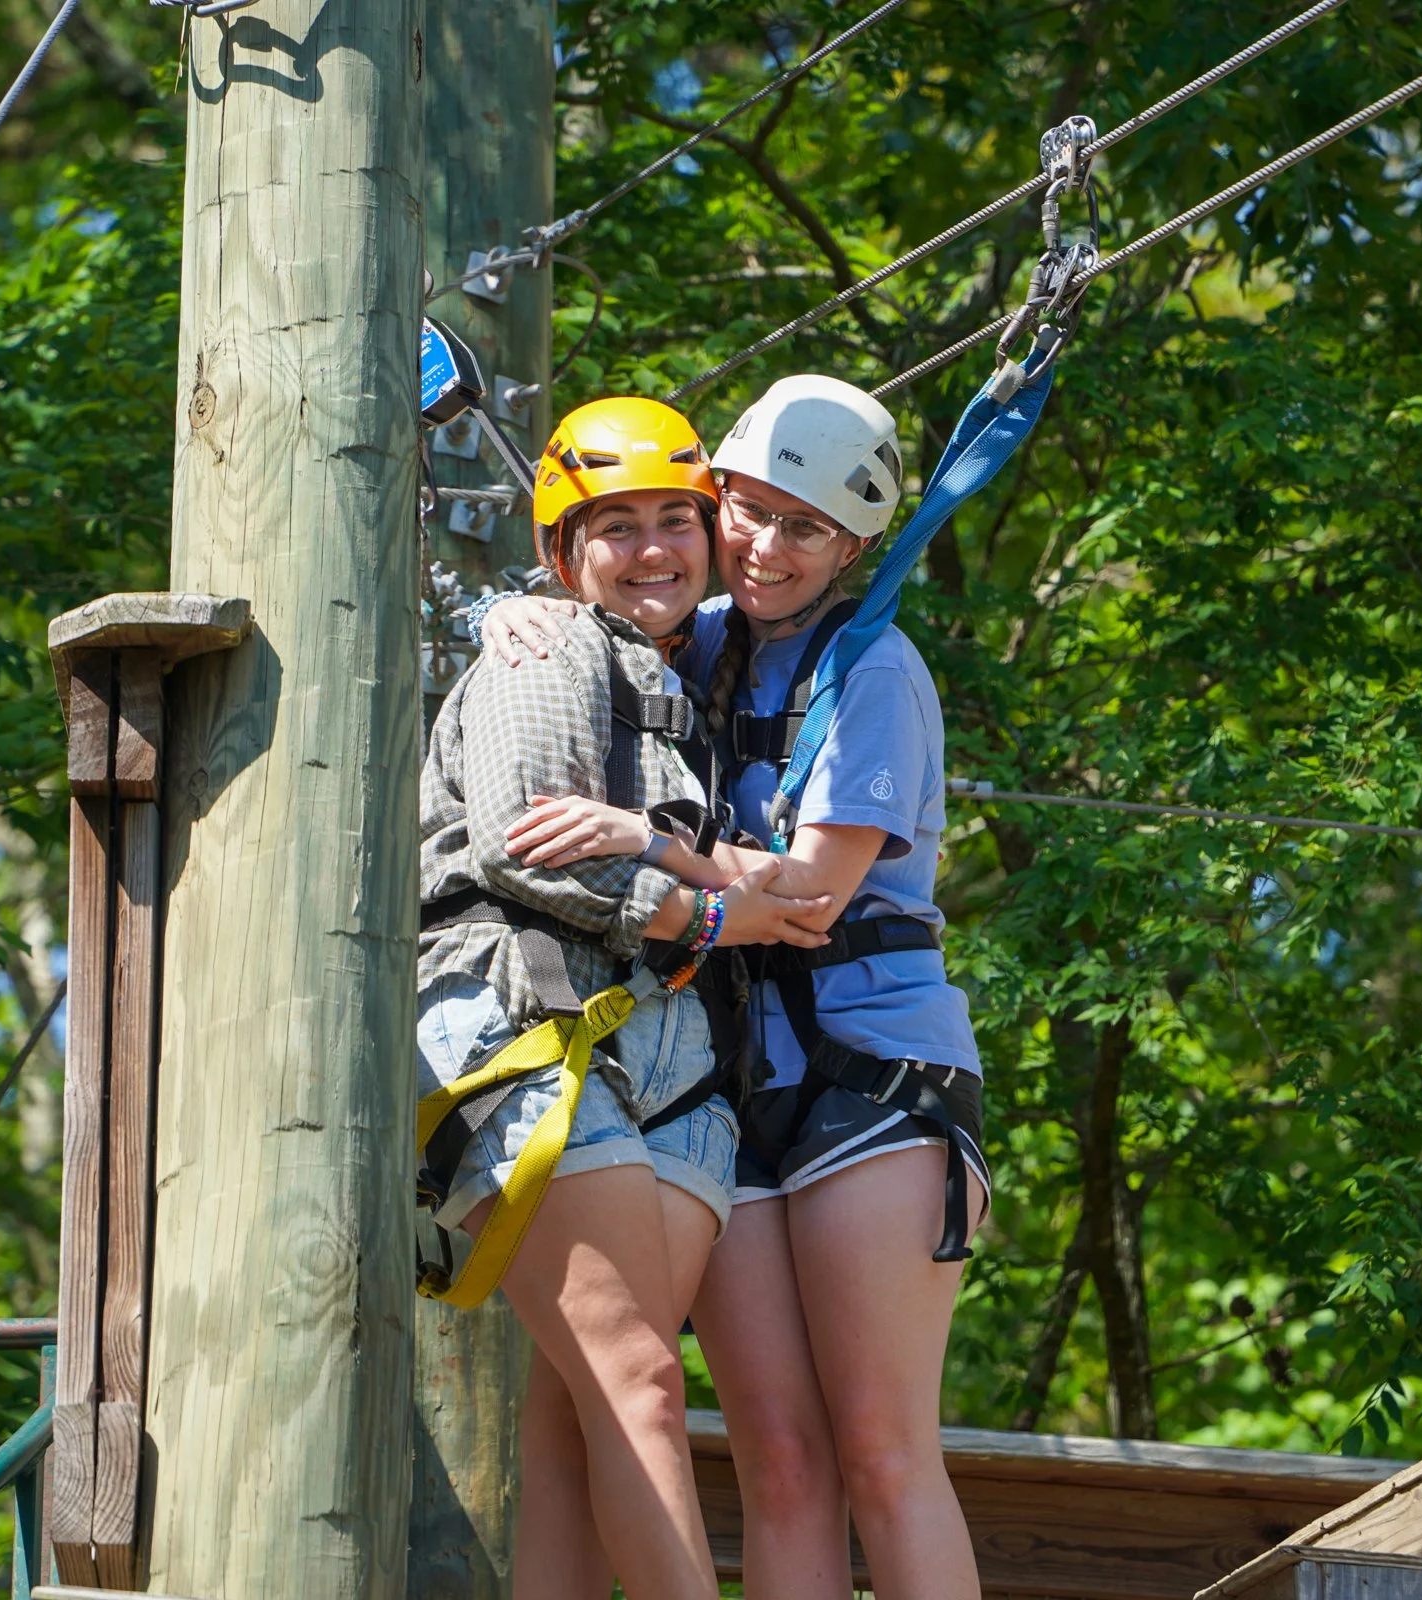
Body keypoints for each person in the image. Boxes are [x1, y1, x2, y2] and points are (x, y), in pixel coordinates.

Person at [485, 375, 989, 1600]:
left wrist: (644, 840)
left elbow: (812, 899)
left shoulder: (875, 676)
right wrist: (514, 613)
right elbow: (599, 602)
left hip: (871, 1072)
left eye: (803, 528)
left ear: (855, 546)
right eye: (749, 512)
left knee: (881, 1449)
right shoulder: (700, 641)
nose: (765, 546)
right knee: (774, 1454)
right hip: (725, 1081)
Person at [418, 395, 832, 1600]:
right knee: (641, 1384)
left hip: (674, 1057)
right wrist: (714, 911)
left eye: (674, 521)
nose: (652, 549)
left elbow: (796, 896)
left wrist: (720, 895)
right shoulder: (545, 650)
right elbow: (523, 848)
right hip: (532, 1021)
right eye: (616, 528)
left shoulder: (703, 679)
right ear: (564, 553)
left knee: (581, 1404)